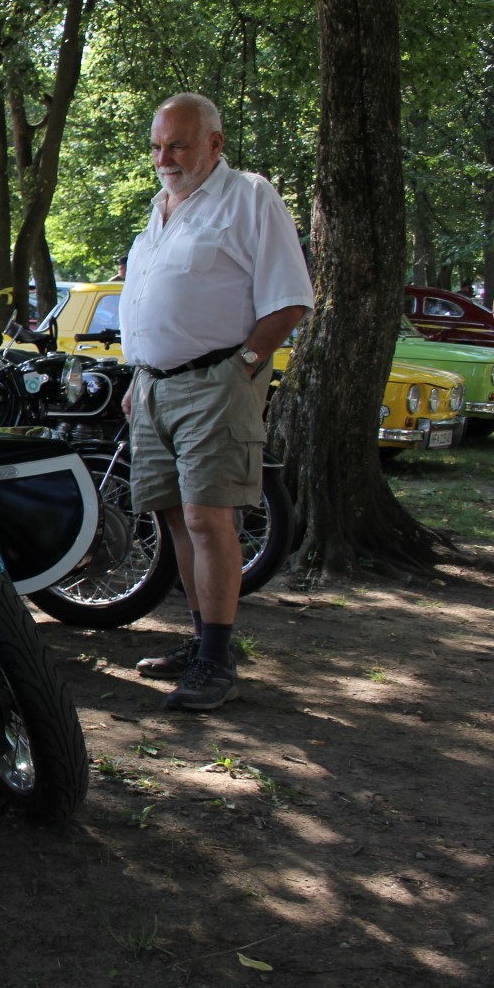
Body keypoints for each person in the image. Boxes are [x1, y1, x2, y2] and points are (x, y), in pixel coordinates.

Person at [119, 93, 314, 710]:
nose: (164, 156)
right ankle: (200, 642)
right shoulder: (160, 210)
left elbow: (290, 298)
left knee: (208, 519)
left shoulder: (249, 197)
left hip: (215, 383)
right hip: (152, 388)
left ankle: (217, 661)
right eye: (157, 145)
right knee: (176, 517)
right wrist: (135, 380)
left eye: (177, 143)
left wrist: (246, 367)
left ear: (214, 143)